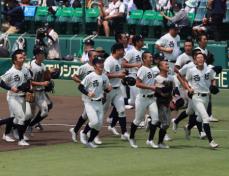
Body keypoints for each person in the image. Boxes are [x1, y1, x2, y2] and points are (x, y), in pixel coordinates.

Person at [183, 52, 219, 148]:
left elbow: (213, 79)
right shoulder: (191, 70)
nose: (200, 59)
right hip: (196, 97)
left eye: (201, 58)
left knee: (198, 119)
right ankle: (211, 141)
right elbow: (186, 81)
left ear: (204, 60)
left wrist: (214, 85)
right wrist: (188, 88)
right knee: (205, 118)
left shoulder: (209, 70)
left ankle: (188, 127)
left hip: (206, 97)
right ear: (195, 60)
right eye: (197, 58)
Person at [69, 50, 103, 145]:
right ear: (89, 57)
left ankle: (76, 130)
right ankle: (87, 133)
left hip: (96, 95)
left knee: (86, 115)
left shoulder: (99, 67)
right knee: (90, 116)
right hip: (87, 95)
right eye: (94, 56)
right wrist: (82, 82)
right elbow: (73, 76)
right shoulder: (84, 67)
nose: (96, 57)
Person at [0, 49, 32, 146]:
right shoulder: (11, 72)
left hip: (23, 97)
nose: (23, 59)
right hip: (13, 98)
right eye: (20, 58)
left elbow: (28, 81)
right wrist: (10, 88)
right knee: (21, 117)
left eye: (23, 57)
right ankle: (21, 139)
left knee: (28, 115)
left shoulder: (25, 69)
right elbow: (1, 82)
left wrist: (30, 91)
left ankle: (3, 123)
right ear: (15, 61)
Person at [78, 56, 112, 148]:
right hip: (89, 102)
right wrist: (87, 93)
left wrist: (108, 89)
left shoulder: (104, 77)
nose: (101, 64)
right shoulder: (90, 76)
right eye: (99, 63)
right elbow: (80, 87)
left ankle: (90, 142)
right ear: (94, 65)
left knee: (99, 125)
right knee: (94, 122)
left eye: (102, 62)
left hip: (99, 102)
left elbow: (105, 89)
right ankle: (83, 132)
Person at [128, 51, 158, 148]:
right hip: (142, 99)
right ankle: (131, 137)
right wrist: (151, 87)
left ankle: (150, 140)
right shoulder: (142, 69)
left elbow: (151, 83)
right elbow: (138, 83)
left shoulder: (151, 69)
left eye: (151, 57)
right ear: (144, 59)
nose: (151, 58)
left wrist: (157, 86)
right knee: (137, 120)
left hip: (151, 98)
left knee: (155, 119)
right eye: (149, 57)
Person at [104, 43, 129, 140]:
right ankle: (91, 132)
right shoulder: (109, 61)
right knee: (102, 112)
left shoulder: (118, 60)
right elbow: (106, 75)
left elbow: (118, 74)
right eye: (122, 50)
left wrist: (123, 77)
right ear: (118, 50)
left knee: (122, 111)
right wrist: (118, 75)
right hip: (108, 90)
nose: (124, 52)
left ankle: (124, 133)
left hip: (117, 89)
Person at [27, 47, 53, 132]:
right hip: (32, 93)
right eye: (42, 54)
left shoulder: (42, 65)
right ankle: (15, 126)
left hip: (41, 93)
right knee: (29, 114)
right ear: (37, 55)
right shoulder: (31, 67)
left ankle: (31, 125)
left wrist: (50, 74)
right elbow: (29, 82)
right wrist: (42, 83)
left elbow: (45, 77)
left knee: (44, 112)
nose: (44, 55)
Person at [154, 60, 175, 148]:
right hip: (160, 102)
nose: (167, 65)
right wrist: (162, 93)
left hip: (167, 102)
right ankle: (160, 143)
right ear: (161, 67)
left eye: (167, 64)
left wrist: (172, 100)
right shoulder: (157, 78)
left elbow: (172, 90)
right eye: (165, 64)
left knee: (166, 123)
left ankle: (151, 120)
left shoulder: (171, 78)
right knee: (165, 123)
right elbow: (157, 91)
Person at [122, 35, 144, 106]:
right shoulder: (131, 52)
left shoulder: (143, 52)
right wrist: (135, 65)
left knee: (133, 102)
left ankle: (122, 102)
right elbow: (123, 64)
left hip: (141, 77)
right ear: (136, 42)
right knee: (139, 98)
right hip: (133, 76)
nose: (143, 42)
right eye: (141, 41)